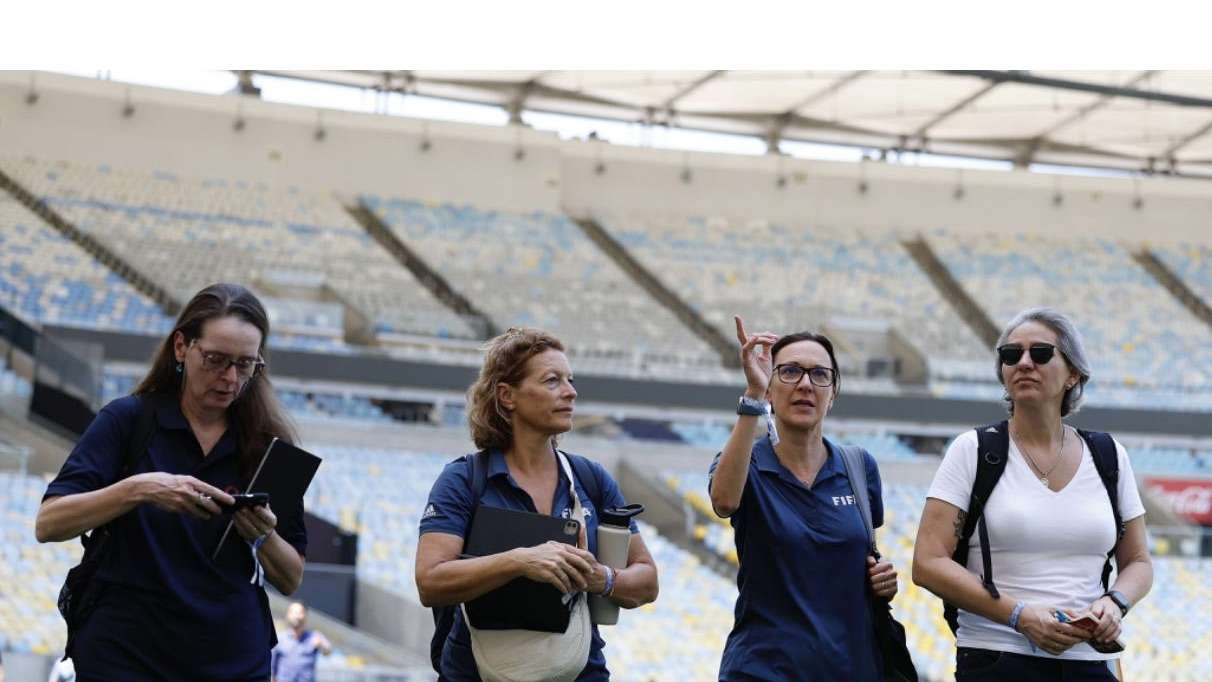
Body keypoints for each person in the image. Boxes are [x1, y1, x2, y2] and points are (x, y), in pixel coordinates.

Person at [35, 283, 306, 681]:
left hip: (232, 658)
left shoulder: (271, 450)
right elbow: (49, 523)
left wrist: (262, 536)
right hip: (125, 654)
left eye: (246, 364)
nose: (230, 377)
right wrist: (138, 489)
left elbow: (291, 577)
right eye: (215, 359)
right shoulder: (126, 420)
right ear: (181, 347)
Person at [913, 307, 1152, 681]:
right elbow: (927, 562)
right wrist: (1018, 615)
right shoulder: (971, 450)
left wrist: (1115, 604)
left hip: (1088, 664)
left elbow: (1138, 561)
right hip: (997, 658)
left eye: (1040, 353)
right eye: (1011, 355)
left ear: (1073, 373)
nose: (1024, 363)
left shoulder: (1109, 455)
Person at [415, 327, 659, 681]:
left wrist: (601, 578)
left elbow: (647, 582)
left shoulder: (590, 478)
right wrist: (520, 561)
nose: (571, 392)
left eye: (570, 380)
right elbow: (430, 581)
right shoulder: (464, 480)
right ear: (507, 395)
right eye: (551, 381)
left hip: (580, 671)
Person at [709, 317, 900, 681]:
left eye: (819, 375)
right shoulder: (744, 462)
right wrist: (751, 394)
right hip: (763, 670)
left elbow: (859, 556)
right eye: (790, 372)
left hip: (852, 668)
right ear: (769, 389)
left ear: (834, 393)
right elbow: (724, 502)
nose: (805, 385)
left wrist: (883, 579)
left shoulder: (859, 466)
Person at [271, 602, 332, 682]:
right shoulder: (280, 639)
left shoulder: (314, 637)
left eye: (300, 612)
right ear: (288, 615)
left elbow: (328, 651)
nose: (297, 616)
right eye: (294, 612)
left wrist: (321, 645)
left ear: (305, 615)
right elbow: (272, 669)